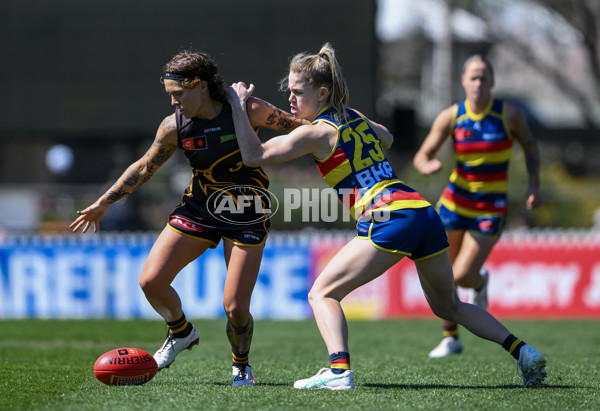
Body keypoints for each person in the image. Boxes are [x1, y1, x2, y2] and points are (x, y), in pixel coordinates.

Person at [226, 43, 547, 390]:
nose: (291, 99)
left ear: (322, 92)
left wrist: (237, 107)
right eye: (288, 91)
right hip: (422, 211)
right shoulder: (350, 116)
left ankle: (338, 371)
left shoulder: (315, 132)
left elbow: (253, 156)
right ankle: (523, 351)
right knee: (450, 305)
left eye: (297, 92)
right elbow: (388, 137)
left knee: (322, 293)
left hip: (387, 215)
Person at [70, 50, 306, 386]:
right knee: (150, 281)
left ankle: (241, 365)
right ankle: (181, 332)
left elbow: (304, 130)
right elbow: (144, 167)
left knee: (236, 309)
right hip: (200, 209)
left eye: (177, 94)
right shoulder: (174, 127)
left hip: (247, 213)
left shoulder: (248, 108)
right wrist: (103, 202)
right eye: (170, 95)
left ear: (200, 86)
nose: (173, 102)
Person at [413, 54, 542, 358]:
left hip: (490, 207)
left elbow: (531, 149)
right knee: (442, 272)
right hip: (454, 203)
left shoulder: (509, 115)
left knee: (461, 275)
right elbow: (422, 154)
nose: (478, 83)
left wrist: (534, 185)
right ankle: (450, 337)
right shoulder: (452, 116)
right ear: (463, 81)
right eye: (473, 77)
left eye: (484, 77)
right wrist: (427, 164)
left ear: (492, 82)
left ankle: (480, 281)